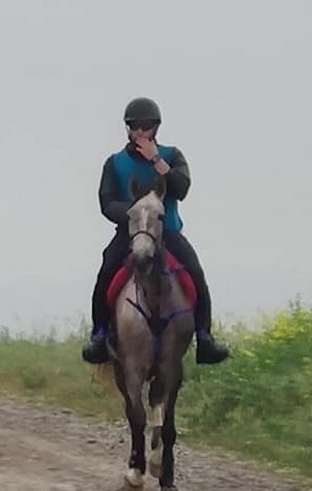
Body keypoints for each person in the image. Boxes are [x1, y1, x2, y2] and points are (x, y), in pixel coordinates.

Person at [81, 96, 229, 365]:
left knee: (195, 272)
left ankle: (205, 337)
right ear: (128, 128)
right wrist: (137, 213)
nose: (140, 132)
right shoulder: (114, 163)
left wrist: (157, 160)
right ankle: (99, 334)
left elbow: (181, 189)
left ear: (156, 128)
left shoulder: (172, 155)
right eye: (135, 126)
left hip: (168, 232)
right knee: (107, 269)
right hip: (130, 233)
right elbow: (106, 201)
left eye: (146, 126)